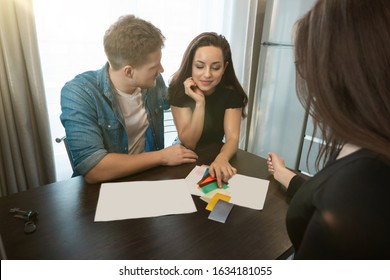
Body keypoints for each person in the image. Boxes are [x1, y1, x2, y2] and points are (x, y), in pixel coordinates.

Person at [267, 0, 390, 259]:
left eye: (306, 66)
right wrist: (283, 174)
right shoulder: (365, 143)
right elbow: (320, 195)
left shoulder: (358, 193)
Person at [60, 15, 198, 184]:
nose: (161, 69)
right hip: (102, 189)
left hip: (146, 177)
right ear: (128, 72)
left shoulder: (153, 83)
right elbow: (93, 170)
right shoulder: (78, 93)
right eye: (154, 67)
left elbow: (179, 101)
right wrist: (162, 156)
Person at [168, 32, 248, 187]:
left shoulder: (231, 94)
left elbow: (232, 137)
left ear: (224, 67)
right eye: (199, 66)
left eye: (216, 67)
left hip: (215, 152)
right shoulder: (178, 89)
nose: (207, 74)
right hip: (183, 154)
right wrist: (200, 103)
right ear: (190, 64)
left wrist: (222, 158)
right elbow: (189, 143)